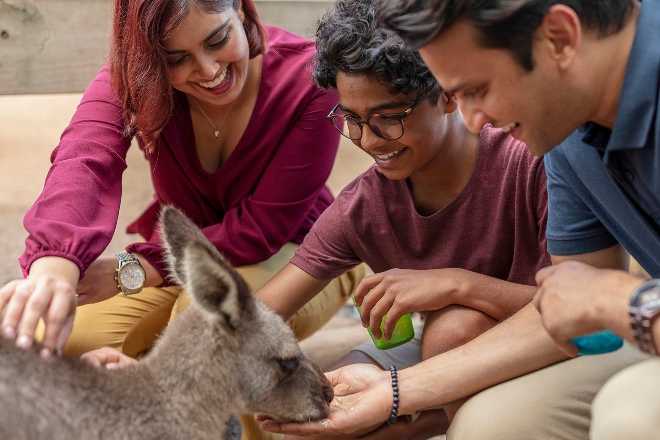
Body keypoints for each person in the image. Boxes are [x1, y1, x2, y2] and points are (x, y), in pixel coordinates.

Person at [260, 0, 658, 439]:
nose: (475, 119)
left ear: (560, 38)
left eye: (477, 89)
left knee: (628, 411)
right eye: (352, 120)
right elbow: (573, 307)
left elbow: (597, 309)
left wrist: (628, 302)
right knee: (463, 417)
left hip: (617, 334)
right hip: (615, 330)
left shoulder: (531, 151)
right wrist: (395, 391)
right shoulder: (564, 138)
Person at [0, 0, 362, 369]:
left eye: (218, 39)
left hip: (297, 251)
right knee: (69, 338)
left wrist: (136, 268)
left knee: (207, 330)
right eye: (176, 59)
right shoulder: (137, 78)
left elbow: (261, 229)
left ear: (238, 7)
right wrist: (54, 265)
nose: (208, 70)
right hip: (183, 253)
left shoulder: (308, 78)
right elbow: (85, 157)